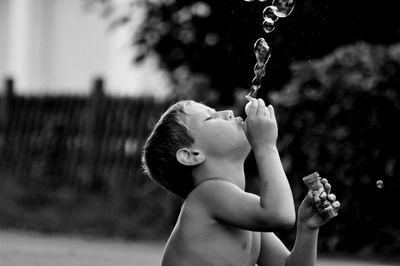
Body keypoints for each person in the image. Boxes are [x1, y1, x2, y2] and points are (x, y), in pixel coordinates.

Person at [141, 96, 340, 266]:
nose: (227, 112)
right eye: (210, 117)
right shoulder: (207, 195)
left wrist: (307, 229)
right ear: (191, 155)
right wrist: (266, 145)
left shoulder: (244, 210)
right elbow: (281, 216)